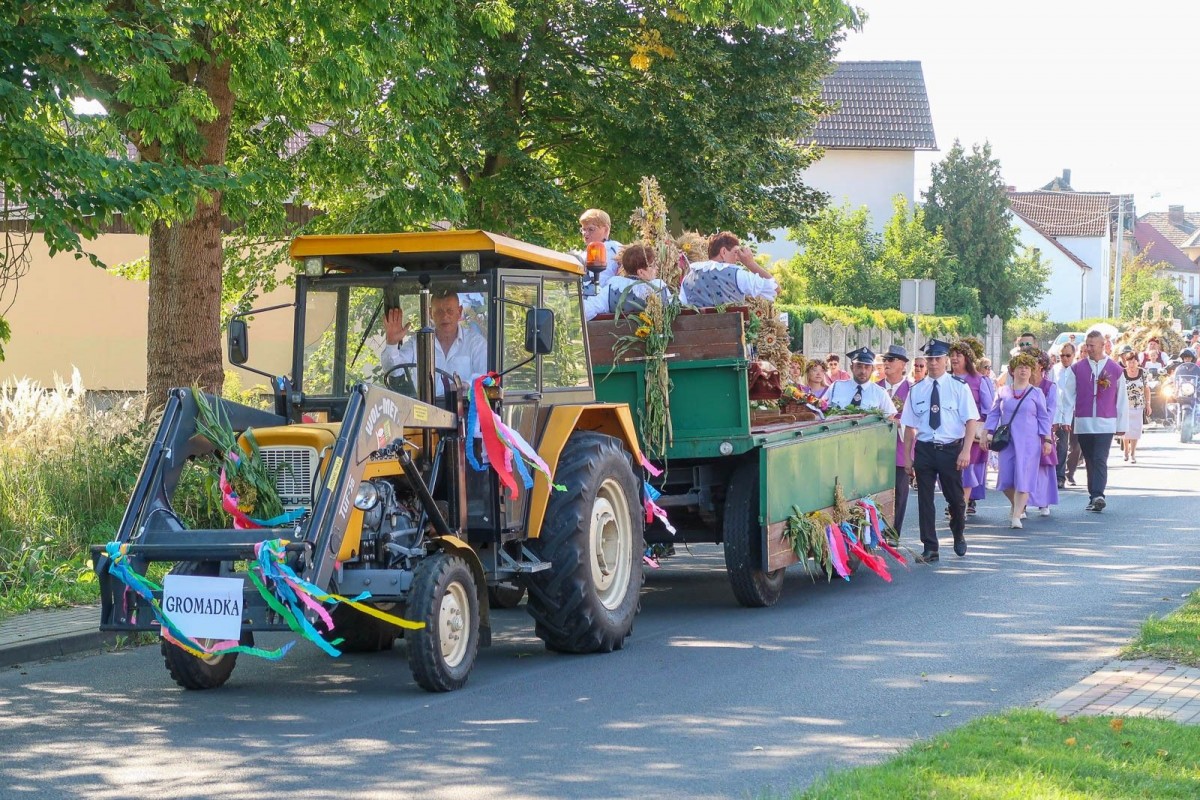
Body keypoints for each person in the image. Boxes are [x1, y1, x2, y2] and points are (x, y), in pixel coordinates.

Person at [902, 339, 979, 563]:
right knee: (925, 500)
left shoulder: (958, 386)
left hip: (950, 449)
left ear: (946, 360)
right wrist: (907, 457)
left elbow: (971, 421)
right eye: (930, 359)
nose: (934, 363)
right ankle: (930, 547)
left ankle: (958, 533)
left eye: (937, 359)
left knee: (955, 499)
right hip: (925, 449)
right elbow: (909, 426)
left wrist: (965, 451)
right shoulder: (917, 390)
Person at [1054, 330, 1127, 512]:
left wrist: (1121, 425)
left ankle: (1098, 495)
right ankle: (1093, 496)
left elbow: (1122, 399)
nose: (1089, 348)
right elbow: (1068, 396)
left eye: (1092, 345)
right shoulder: (1077, 368)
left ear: (1103, 346)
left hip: (1106, 422)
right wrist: (1065, 419)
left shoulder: (1115, 369)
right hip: (1084, 422)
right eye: (1087, 345)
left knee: (1100, 458)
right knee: (1089, 460)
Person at [986, 352, 1052, 528]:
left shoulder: (1036, 393)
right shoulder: (1003, 391)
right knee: (1006, 479)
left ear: (1031, 372)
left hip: (1029, 443)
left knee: (1024, 477)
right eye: (1020, 367)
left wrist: (1047, 439)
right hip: (1007, 441)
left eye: (1027, 367)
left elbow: (1044, 418)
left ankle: (1016, 516)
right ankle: (1017, 505)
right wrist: (988, 432)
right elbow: (993, 413)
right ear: (1012, 371)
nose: (1023, 370)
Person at [381, 290, 488, 396]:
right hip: (422, 410)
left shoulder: (475, 343)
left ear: (459, 312)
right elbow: (395, 371)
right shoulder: (418, 342)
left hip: (464, 409)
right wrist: (392, 343)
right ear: (431, 314)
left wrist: (466, 385)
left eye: (449, 311)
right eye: (439, 312)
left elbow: (486, 377)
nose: (445, 316)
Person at [949, 340, 993, 518]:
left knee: (966, 470)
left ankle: (962, 507)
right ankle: (955, 503)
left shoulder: (979, 380)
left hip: (971, 433)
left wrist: (987, 432)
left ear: (967, 358)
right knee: (950, 471)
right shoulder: (946, 379)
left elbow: (988, 408)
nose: (954, 358)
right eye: (951, 355)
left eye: (958, 355)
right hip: (950, 432)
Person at [679, 231, 778, 307]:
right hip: (729, 332)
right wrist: (750, 263)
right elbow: (775, 288)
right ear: (723, 252)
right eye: (736, 252)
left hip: (694, 332)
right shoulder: (736, 274)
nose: (738, 258)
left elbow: (682, 305)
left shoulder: (688, 276)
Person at [583, 241, 670, 321]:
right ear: (641, 272)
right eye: (653, 265)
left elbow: (587, 309)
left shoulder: (613, 288)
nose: (657, 268)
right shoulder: (660, 288)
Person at [875, 344, 911, 534]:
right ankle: (874, 531)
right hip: (875, 450)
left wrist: (897, 423)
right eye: (885, 360)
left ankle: (893, 532)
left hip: (900, 450)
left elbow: (917, 423)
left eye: (891, 360)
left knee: (899, 492)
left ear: (903, 364)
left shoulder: (912, 390)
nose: (886, 363)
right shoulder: (875, 388)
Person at [1028, 349, 1060, 517]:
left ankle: (1044, 501)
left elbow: (1050, 411)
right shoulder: (1020, 385)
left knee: (1044, 466)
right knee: (1023, 466)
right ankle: (1022, 504)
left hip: (1042, 431)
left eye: (1032, 362)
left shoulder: (1049, 387)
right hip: (1023, 432)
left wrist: (1045, 435)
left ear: (1041, 365)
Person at [825, 347, 898, 417]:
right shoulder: (836, 387)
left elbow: (890, 419)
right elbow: (821, 410)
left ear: (872, 369)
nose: (863, 371)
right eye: (859, 366)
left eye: (867, 367)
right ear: (851, 367)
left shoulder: (880, 393)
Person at [579, 208, 623, 285]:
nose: (585, 234)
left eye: (591, 229)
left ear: (606, 230)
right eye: (583, 229)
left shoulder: (617, 249)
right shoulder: (583, 255)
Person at [1120, 346, 1145, 464]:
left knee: (1135, 429)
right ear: (1126, 362)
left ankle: (1133, 453)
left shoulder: (1142, 372)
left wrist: (1148, 404)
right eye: (1129, 361)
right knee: (1125, 429)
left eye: (1134, 361)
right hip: (1125, 405)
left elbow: (1147, 388)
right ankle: (1125, 450)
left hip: (1138, 405)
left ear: (1137, 362)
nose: (1131, 363)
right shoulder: (1122, 373)